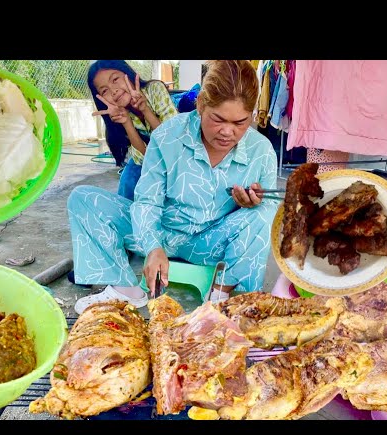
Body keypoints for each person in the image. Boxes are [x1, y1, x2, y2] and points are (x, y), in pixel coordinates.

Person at [69, 60, 279, 314]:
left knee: (263, 214)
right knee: (82, 198)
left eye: (240, 123)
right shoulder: (168, 136)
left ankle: (222, 294)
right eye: (218, 119)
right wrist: (153, 247)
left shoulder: (261, 151)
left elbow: (269, 209)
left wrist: (251, 203)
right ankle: (125, 290)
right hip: (162, 233)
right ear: (201, 104)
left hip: (212, 243)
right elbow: (147, 201)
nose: (227, 132)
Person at [88, 60, 178, 200]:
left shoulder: (154, 89)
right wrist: (126, 123)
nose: (114, 91)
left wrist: (145, 110)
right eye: (104, 90)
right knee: (129, 177)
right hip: (151, 159)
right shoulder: (117, 115)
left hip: (177, 152)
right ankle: (127, 216)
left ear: (127, 74)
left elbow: (172, 140)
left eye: (115, 79)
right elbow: (144, 159)